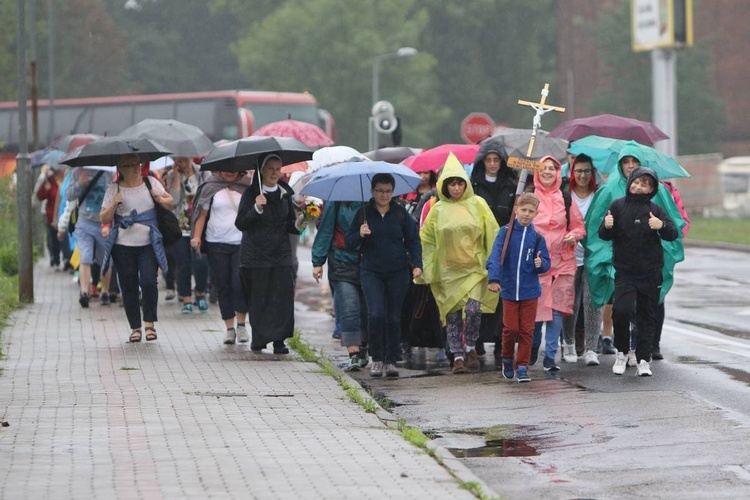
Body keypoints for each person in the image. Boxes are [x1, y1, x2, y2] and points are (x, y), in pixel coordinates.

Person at [584, 146, 686, 367]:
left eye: (634, 161)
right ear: (620, 164)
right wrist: (604, 246)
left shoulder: (659, 194)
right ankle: (620, 348)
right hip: (619, 262)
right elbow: (596, 226)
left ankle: (645, 351)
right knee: (621, 307)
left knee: (648, 309)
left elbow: (673, 224)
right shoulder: (610, 190)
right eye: (626, 161)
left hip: (649, 262)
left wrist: (663, 235)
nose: (630, 165)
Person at [417, 153, 498, 374]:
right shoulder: (437, 210)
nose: (455, 188)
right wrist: (425, 269)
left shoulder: (478, 205)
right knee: (452, 316)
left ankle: (471, 346)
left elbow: (492, 234)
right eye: (451, 183)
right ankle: (458, 355)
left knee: (473, 310)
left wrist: (495, 266)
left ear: (465, 184)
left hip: (474, 269)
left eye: (459, 183)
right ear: (444, 185)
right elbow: (427, 240)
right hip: (447, 272)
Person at [598, 166, 678, 376]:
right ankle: (622, 352)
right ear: (630, 182)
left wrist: (661, 225)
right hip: (625, 271)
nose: (639, 186)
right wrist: (606, 226)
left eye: (645, 184)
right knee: (621, 311)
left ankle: (643, 359)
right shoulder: (617, 206)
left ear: (651, 189)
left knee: (646, 316)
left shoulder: (655, 209)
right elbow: (604, 235)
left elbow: (672, 233)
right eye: (637, 182)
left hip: (651, 272)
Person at [346, 173, 422, 379]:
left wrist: (417, 264)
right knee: (376, 314)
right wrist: (359, 234)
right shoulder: (363, 214)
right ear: (372, 191)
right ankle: (376, 358)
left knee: (394, 317)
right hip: (371, 271)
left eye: (388, 191)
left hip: (398, 271)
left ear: (393, 192)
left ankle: (390, 360)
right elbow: (349, 242)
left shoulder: (400, 213)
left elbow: (413, 240)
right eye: (380, 191)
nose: (384, 195)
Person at [235, 154, 307, 354]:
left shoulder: (285, 194)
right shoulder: (251, 195)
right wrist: (256, 208)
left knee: (282, 298)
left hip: (281, 254)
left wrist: (298, 223)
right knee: (260, 298)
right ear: (262, 171)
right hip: (256, 256)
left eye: (278, 169)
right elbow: (240, 223)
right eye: (270, 169)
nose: (275, 173)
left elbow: (289, 224)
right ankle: (259, 338)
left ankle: (279, 340)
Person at [100, 154, 174, 342]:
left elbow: (170, 202)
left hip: (148, 244)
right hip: (123, 247)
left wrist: (159, 199)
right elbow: (103, 218)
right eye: (130, 165)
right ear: (120, 169)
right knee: (128, 285)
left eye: (137, 164)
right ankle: (135, 327)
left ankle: (150, 324)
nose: (135, 168)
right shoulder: (113, 188)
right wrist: (114, 204)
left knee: (149, 281)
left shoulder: (150, 183)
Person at [529, 156, 586, 372]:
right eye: (543, 169)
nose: (547, 172)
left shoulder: (566, 198)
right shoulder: (530, 197)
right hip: (537, 263)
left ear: (558, 173)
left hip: (563, 262)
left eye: (552, 169)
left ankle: (550, 357)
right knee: (536, 310)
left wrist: (573, 235)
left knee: (556, 311)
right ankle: (534, 347)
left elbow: (580, 227)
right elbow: (520, 224)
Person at [486, 193, 551, 382]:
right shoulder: (504, 233)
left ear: (536, 214)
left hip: (530, 291)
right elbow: (495, 257)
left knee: (527, 330)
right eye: (523, 210)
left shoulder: (538, 238)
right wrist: (494, 279)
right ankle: (507, 358)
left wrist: (541, 264)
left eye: (531, 211)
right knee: (511, 328)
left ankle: (522, 365)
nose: (526, 214)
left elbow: (546, 262)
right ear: (515, 210)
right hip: (508, 289)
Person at [469, 140, 519, 362]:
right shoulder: (474, 186)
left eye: (495, 160)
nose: (492, 164)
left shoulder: (511, 186)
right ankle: (476, 339)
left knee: (501, 297)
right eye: (488, 160)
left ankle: (501, 341)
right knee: (478, 294)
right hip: (478, 247)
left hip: (504, 246)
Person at [190, 170, 252, 345]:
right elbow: (201, 215)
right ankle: (229, 328)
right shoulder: (211, 187)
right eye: (224, 168)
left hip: (241, 242)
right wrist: (196, 236)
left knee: (238, 284)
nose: (229, 172)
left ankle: (241, 325)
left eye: (232, 168)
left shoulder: (246, 186)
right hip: (216, 242)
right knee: (223, 285)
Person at [312, 200, 369, 371]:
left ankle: (363, 347)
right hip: (341, 261)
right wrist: (318, 261)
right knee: (349, 308)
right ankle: (353, 354)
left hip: (368, 262)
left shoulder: (373, 201)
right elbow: (326, 231)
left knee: (367, 310)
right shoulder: (336, 203)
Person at [560, 154, 605, 366]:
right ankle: (568, 344)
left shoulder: (599, 196)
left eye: (587, 171)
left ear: (593, 173)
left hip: (593, 257)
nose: (583, 175)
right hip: (569, 257)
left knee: (592, 302)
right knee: (570, 303)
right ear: (571, 173)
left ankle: (591, 349)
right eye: (578, 171)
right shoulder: (565, 196)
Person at [164, 156, 210, 314]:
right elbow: (173, 200)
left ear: (190, 158)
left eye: (182, 161)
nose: (180, 164)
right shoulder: (171, 175)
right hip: (180, 226)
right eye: (177, 161)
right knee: (182, 264)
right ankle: (186, 298)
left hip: (199, 224)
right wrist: (176, 178)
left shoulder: (203, 174)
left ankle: (200, 294)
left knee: (201, 262)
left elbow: (208, 196)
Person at [651, 179, 690, 360]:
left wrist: (671, 236)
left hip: (662, 250)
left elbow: (681, 219)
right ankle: (632, 343)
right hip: (632, 253)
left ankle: (654, 343)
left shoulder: (667, 189)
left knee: (659, 297)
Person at [65, 166, 114, 308]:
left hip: (103, 224)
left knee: (105, 260)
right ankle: (84, 292)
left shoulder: (108, 172)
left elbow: (114, 195)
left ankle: (104, 292)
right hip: (84, 223)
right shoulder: (78, 171)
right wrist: (80, 183)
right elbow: (68, 195)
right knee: (85, 256)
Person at [36, 163, 68, 270]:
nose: (61, 170)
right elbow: (39, 195)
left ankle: (67, 259)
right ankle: (55, 258)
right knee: (53, 239)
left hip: (66, 215)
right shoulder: (49, 180)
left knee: (65, 240)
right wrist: (45, 185)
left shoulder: (68, 178)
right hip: (51, 216)